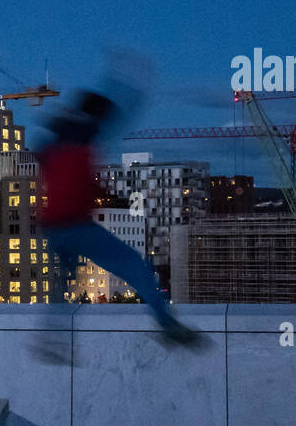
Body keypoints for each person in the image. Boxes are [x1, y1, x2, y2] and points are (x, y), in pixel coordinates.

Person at [36, 85, 204, 348]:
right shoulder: (85, 132)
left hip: (52, 226)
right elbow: (113, 121)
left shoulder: (56, 138)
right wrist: (130, 90)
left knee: (64, 281)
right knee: (135, 266)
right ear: (97, 115)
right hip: (75, 223)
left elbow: (55, 165)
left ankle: (51, 341)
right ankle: (167, 324)